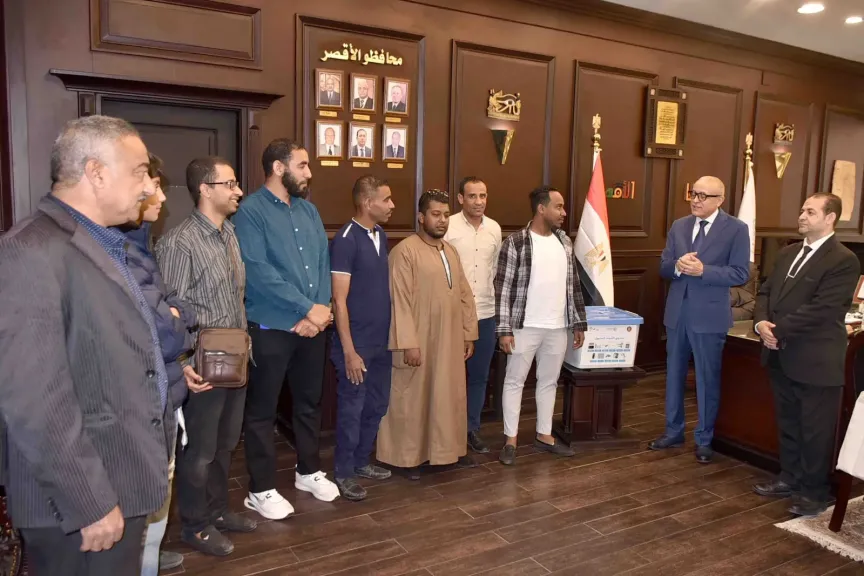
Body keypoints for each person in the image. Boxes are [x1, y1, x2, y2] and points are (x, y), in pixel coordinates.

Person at [0, 115, 169, 575]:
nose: (148, 186)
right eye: (139, 171)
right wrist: (88, 501)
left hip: (118, 479)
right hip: (81, 504)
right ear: (96, 173)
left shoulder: (104, 243)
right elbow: (36, 401)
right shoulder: (29, 251)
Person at [156, 156, 256, 556]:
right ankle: (195, 526)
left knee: (226, 443)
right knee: (199, 450)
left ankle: (217, 511)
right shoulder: (179, 242)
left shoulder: (229, 234)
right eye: (229, 184)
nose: (238, 191)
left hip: (236, 358)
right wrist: (182, 365)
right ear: (205, 189)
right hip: (201, 365)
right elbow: (169, 313)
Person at [234, 138, 339, 520]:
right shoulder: (250, 211)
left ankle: (308, 471)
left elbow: (322, 262)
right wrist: (307, 308)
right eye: (302, 165)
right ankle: (260, 489)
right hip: (271, 326)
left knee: (309, 403)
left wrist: (319, 311)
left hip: (312, 327)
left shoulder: (309, 211)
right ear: (279, 168)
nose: (309, 172)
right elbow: (258, 271)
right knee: (262, 411)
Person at [753, 193, 860, 517]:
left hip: (816, 360)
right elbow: (765, 291)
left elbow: (824, 309)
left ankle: (814, 493)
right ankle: (789, 478)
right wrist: (761, 323)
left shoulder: (843, 260)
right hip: (780, 356)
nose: (801, 216)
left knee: (815, 431)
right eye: (802, 210)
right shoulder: (787, 252)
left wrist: (778, 330)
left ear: (830, 218)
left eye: (810, 212)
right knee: (788, 423)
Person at [128, 155, 198, 575]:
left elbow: (176, 312)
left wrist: (176, 315)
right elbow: (165, 330)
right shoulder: (121, 249)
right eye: (153, 184)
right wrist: (176, 316)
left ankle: (148, 557)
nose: (160, 195)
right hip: (144, 400)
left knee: (158, 492)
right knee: (147, 493)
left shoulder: (141, 244)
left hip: (165, 387)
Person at [377, 190, 479, 477]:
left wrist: (468, 333)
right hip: (418, 342)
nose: (442, 220)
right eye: (436, 214)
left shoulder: (450, 251)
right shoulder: (405, 251)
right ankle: (407, 459)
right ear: (421, 217)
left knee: (448, 396)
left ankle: (447, 452)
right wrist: (408, 343)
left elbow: (464, 294)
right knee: (413, 400)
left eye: (446, 215)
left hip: (449, 341)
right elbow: (399, 302)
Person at [651, 176, 749, 463]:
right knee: (674, 375)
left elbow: (740, 273)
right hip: (677, 313)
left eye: (704, 196)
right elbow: (664, 266)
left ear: (720, 200)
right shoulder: (679, 225)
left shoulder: (736, 229)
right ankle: (673, 431)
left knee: (707, 378)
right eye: (694, 194)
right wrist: (678, 266)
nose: (696, 200)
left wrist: (704, 270)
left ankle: (704, 439)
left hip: (709, 315)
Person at [495, 186, 587, 465]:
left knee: (549, 382)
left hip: (558, 327)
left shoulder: (565, 242)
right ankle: (510, 440)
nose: (564, 212)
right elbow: (503, 288)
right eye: (558, 207)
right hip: (524, 326)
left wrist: (578, 322)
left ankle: (544, 435)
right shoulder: (516, 242)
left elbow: (574, 285)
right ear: (541, 208)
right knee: (514, 381)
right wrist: (504, 329)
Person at [330, 175, 396, 501]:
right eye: (386, 199)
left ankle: (360, 462)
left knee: (377, 404)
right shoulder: (345, 240)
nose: (392, 205)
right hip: (355, 345)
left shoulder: (380, 234)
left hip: (381, 341)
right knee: (351, 411)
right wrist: (349, 351)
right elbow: (338, 300)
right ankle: (343, 472)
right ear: (368, 203)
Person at [444, 177, 502, 454]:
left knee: (479, 376)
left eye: (483, 196)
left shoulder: (494, 229)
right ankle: (446, 431)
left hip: (486, 313)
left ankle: (471, 429)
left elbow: (494, 270)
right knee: (449, 376)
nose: (479, 202)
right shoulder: (448, 226)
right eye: (472, 196)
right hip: (454, 314)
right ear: (460, 198)